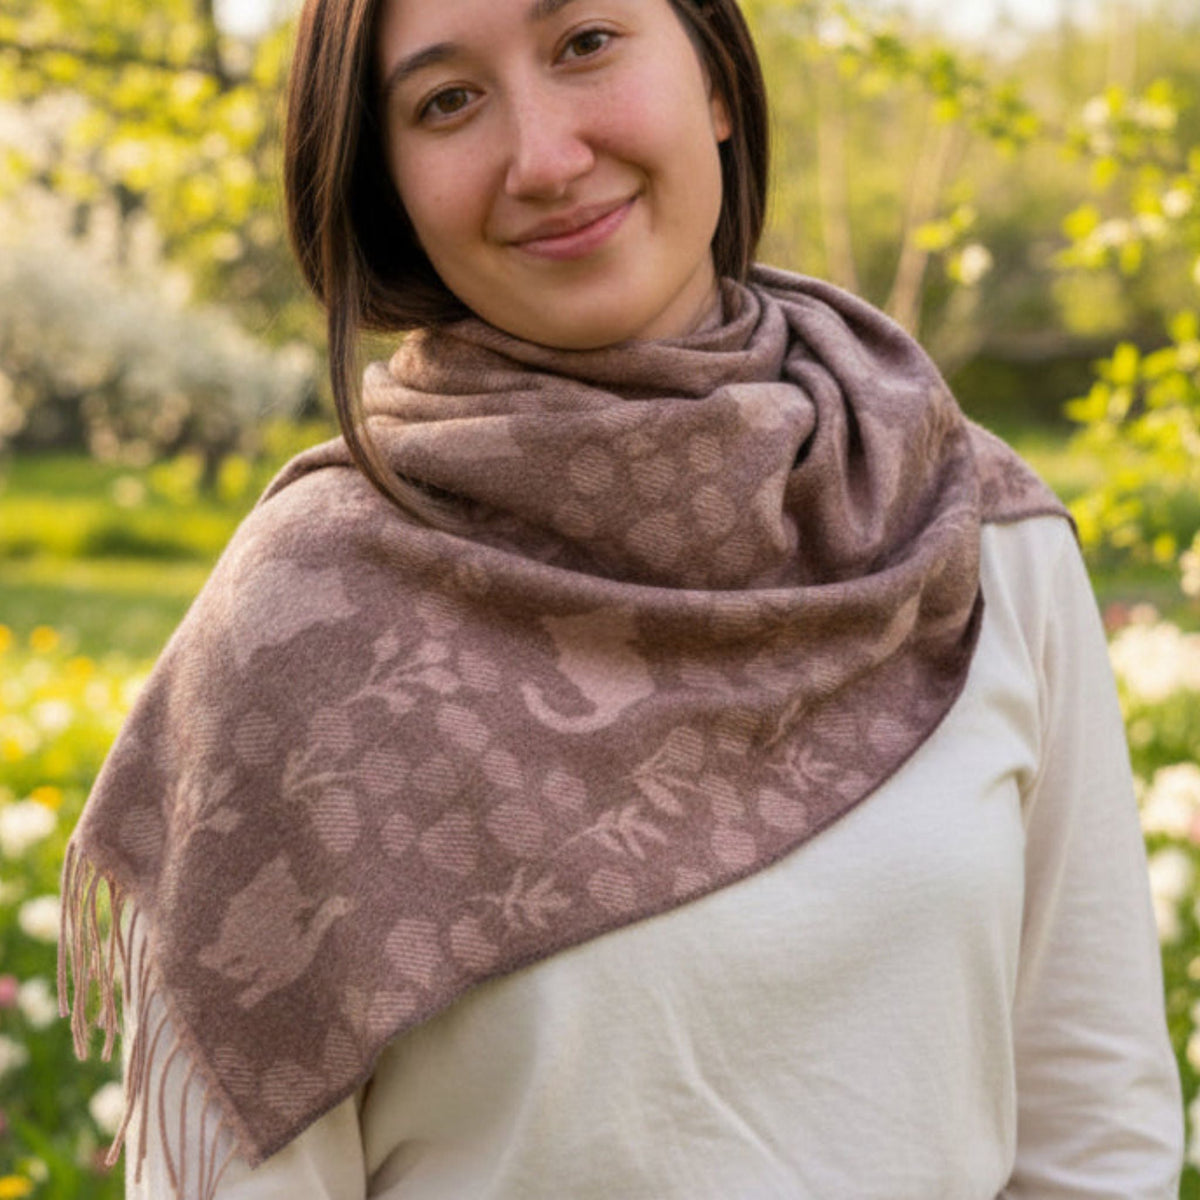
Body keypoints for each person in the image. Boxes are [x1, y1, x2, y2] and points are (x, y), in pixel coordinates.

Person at [59, 0, 1185, 1196]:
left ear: (714, 80)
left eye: (585, 44)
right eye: (446, 102)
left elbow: (1092, 1136)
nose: (543, 160)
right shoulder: (303, 630)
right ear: (389, 188)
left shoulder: (968, 533)